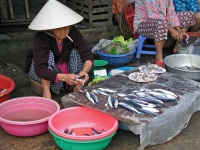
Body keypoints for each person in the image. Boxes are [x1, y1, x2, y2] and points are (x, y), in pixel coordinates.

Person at [25, 0, 93, 99]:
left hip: (65, 66)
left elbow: (87, 54)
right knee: (49, 56)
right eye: (58, 28)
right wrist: (65, 77)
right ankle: (46, 92)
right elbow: (41, 69)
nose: (63, 31)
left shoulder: (73, 32)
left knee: (75, 52)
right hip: (43, 71)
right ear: (51, 28)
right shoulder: (41, 37)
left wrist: (84, 71)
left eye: (66, 27)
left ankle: (78, 84)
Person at [133, 0, 196, 67]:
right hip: (144, 23)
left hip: (162, 21)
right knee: (161, 23)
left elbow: (171, 13)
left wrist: (179, 31)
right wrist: (172, 30)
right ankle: (158, 56)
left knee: (186, 15)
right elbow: (154, 17)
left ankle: (176, 49)